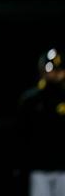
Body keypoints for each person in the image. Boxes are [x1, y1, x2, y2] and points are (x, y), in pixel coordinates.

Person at [17, 47, 65, 196]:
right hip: (39, 169)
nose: (54, 74)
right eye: (51, 70)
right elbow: (22, 135)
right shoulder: (30, 100)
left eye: (58, 70)